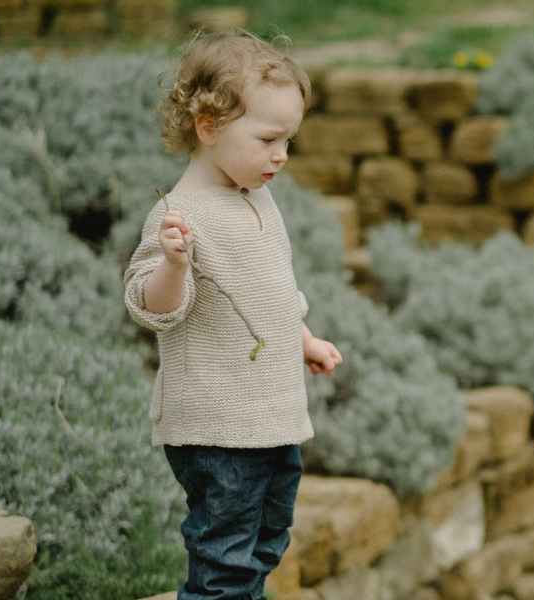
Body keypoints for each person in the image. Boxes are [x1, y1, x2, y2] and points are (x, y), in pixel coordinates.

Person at [123, 30, 343, 599]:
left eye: (289, 139)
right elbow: (154, 308)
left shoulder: (257, 198)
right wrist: (174, 266)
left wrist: (303, 339)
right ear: (209, 127)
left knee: (266, 539)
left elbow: (267, 294)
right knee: (225, 553)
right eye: (269, 138)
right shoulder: (178, 216)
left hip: (272, 419)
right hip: (218, 429)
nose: (282, 155)